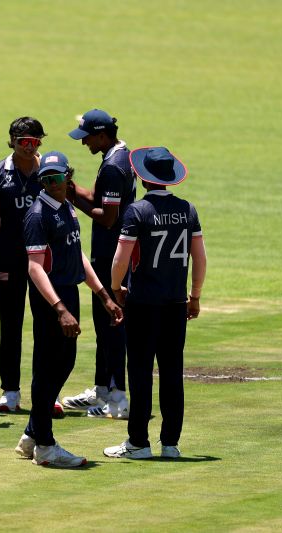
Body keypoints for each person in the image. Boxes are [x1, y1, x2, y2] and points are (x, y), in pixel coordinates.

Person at [15, 151, 123, 467]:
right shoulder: (38, 215)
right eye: (47, 179)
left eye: (58, 177)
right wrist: (60, 308)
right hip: (51, 297)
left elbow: (77, 255)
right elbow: (34, 267)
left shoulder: (66, 207)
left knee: (62, 362)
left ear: (68, 177)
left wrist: (103, 295)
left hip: (67, 292)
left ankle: (32, 434)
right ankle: (45, 445)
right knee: (50, 367)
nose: (53, 183)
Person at [102, 146, 206, 460]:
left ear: (144, 178)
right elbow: (199, 258)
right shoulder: (188, 210)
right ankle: (171, 444)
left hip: (143, 304)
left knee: (140, 372)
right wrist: (195, 296)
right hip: (175, 303)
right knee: (172, 373)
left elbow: (120, 259)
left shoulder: (137, 211)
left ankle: (138, 443)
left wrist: (116, 288)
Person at [63, 109, 136, 419]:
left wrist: (71, 199)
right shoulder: (118, 155)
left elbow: (107, 218)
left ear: (102, 136)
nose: (84, 143)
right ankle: (102, 389)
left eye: (87, 138)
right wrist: (72, 189)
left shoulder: (113, 167)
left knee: (112, 324)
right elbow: (97, 196)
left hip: (110, 256)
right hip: (112, 254)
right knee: (105, 324)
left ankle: (117, 397)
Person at [0, 117, 52, 414]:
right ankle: (10, 391)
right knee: (10, 325)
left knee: (45, 326)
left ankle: (46, 391)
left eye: (35, 142)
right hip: (8, 259)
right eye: (23, 141)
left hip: (43, 260)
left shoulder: (49, 171)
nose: (29, 147)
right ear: (12, 140)